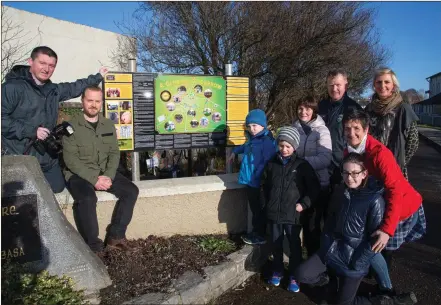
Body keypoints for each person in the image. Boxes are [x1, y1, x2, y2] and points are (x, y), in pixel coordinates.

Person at [294, 153, 417, 305]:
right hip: (332, 251)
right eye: (345, 172)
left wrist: (357, 264)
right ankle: (332, 288)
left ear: (364, 173)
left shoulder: (374, 200)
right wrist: (326, 245)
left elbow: (373, 240)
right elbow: (329, 222)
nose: (349, 177)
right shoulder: (340, 191)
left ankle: (384, 301)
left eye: (354, 173)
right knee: (301, 274)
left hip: (354, 259)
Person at [1, 46, 107, 193]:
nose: (46, 69)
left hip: (46, 155)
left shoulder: (52, 90)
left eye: (51, 65)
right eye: (42, 63)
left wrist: (97, 77)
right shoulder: (12, 88)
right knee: (24, 195)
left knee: (57, 187)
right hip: (20, 155)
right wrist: (31, 131)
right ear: (30, 61)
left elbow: (74, 87)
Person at [343, 108, 426, 291]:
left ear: (366, 130)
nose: (351, 133)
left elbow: (395, 190)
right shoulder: (348, 152)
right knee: (374, 244)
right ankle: (379, 282)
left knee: (382, 244)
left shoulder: (380, 154)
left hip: (401, 205)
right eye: (347, 128)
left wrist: (387, 229)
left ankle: (385, 290)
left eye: (356, 128)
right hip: (377, 204)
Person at [62, 85, 139, 254]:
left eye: (97, 101)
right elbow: (71, 160)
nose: (93, 105)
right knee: (87, 199)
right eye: (90, 100)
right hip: (79, 174)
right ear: (82, 101)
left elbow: (114, 153)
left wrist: (108, 176)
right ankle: (93, 248)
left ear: (101, 102)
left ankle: (116, 237)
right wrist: (94, 179)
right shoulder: (70, 127)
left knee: (131, 191)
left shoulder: (108, 124)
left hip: (105, 171)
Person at [263, 126, 320, 293]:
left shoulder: (302, 166)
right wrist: (266, 204)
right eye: (281, 145)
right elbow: (264, 186)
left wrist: (304, 204)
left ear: (294, 147)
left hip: (293, 215)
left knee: (294, 246)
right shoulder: (272, 163)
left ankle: (295, 275)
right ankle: (278, 270)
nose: (284, 149)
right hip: (274, 213)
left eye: (288, 146)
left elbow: (314, 188)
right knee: (276, 244)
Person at [227, 109, 277, 245]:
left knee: (259, 210)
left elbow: (267, 162)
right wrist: (235, 151)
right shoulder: (252, 139)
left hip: (258, 183)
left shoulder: (266, 142)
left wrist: (258, 177)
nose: (252, 129)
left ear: (263, 125)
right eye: (249, 126)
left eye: (255, 125)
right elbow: (245, 146)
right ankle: (256, 233)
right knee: (254, 209)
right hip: (250, 181)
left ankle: (260, 235)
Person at [292, 95, 332, 256]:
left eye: (307, 108)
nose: (303, 112)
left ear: (314, 110)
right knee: (296, 223)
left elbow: (325, 158)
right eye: (300, 108)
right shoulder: (293, 128)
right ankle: (297, 261)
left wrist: (301, 163)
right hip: (298, 185)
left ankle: (314, 263)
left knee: (313, 227)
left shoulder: (321, 130)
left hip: (318, 185)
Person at [365, 68, 419, 180]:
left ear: (393, 85)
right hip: (372, 167)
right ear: (374, 85)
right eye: (379, 82)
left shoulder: (403, 109)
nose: (382, 85)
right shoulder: (368, 109)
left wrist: (400, 161)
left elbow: (413, 142)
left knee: (394, 197)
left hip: (395, 169)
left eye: (387, 82)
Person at [318, 69, 363, 187]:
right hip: (322, 163)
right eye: (331, 85)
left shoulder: (353, 108)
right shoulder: (320, 106)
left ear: (346, 85)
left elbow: (360, 140)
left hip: (343, 167)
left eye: (338, 85)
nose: (334, 89)